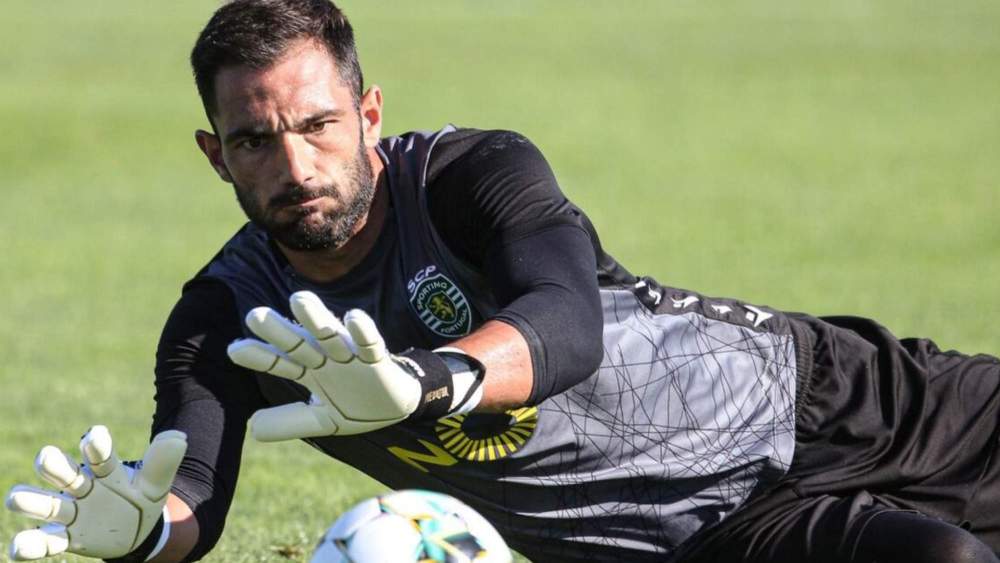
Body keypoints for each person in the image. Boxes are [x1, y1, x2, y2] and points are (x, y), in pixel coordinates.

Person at [6, 1, 1000, 562]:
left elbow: (567, 322)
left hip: (836, 395)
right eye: (255, 141)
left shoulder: (469, 174)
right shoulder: (224, 316)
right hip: (711, 536)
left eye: (317, 125)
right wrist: (142, 534)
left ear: (368, 114)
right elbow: (190, 492)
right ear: (216, 157)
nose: (296, 165)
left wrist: (432, 381)